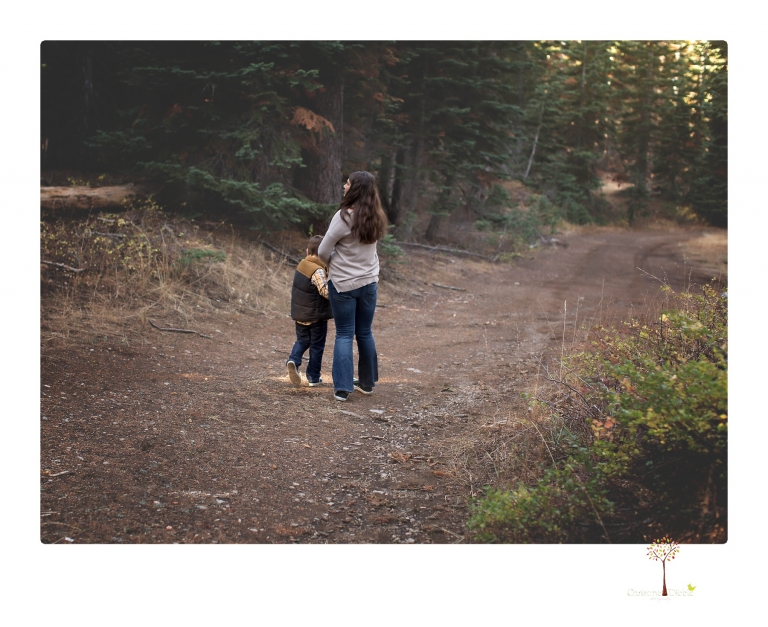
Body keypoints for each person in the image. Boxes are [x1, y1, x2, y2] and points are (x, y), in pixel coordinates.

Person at [318, 171, 388, 402]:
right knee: (365, 332)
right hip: (369, 283)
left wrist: (334, 262)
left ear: (355, 188)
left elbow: (322, 251)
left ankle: (342, 388)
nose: (344, 186)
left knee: (345, 334)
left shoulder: (343, 217)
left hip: (344, 285)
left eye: (347, 183)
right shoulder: (375, 215)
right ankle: (367, 384)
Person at [286, 235, 333, 387]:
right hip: (316, 316)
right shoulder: (317, 270)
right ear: (324, 253)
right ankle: (313, 377)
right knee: (317, 346)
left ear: (307, 251)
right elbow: (325, 292)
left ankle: (293, 359)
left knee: (302, 340)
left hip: (300, 314)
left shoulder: (301, 265)